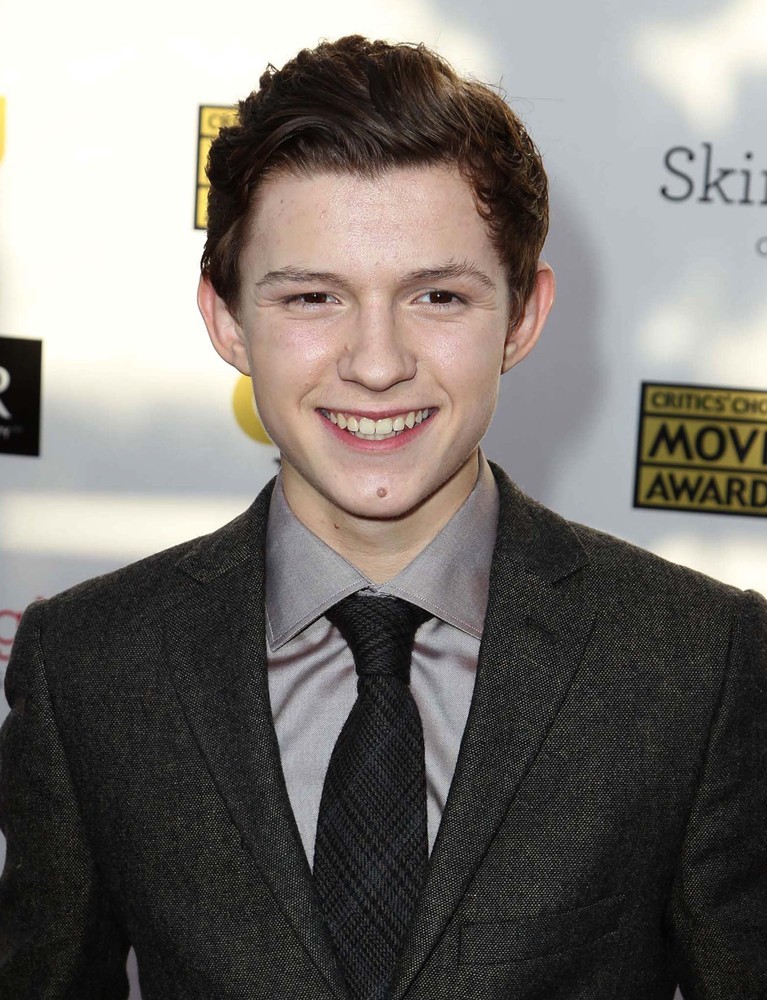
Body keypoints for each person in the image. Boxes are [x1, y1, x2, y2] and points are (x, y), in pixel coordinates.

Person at [0, 35, 765, 1000]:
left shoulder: (697, 661)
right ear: (227, 320)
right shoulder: (89, 666)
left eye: (437, 296)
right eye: (312, 297)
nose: (375, 363)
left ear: (523, 317)